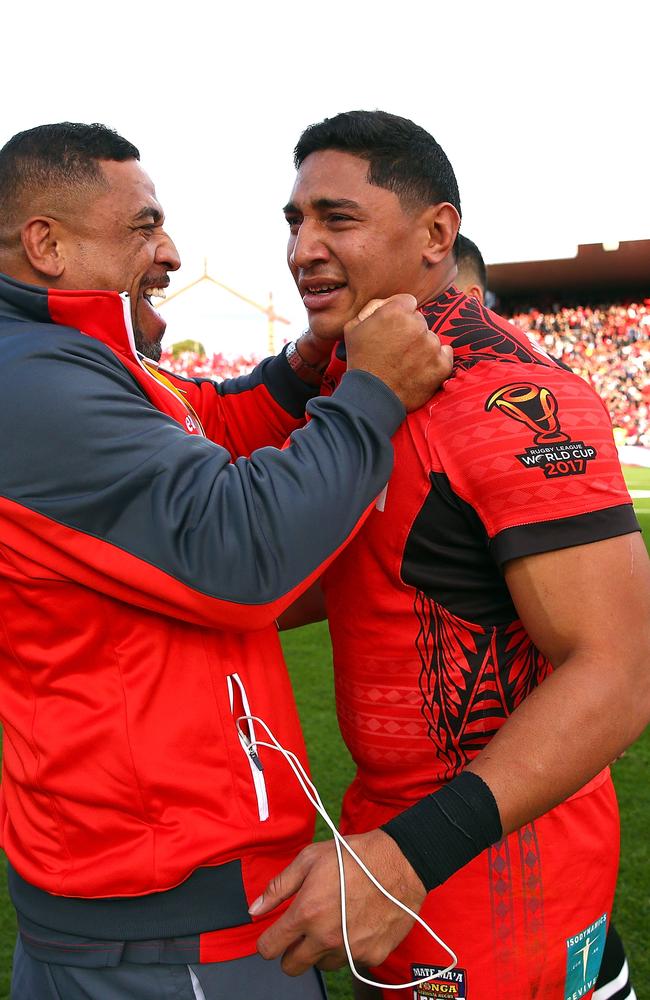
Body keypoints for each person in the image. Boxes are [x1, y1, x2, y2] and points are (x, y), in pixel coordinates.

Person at [0, 121, 453, 999]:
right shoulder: (32, 380)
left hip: (162, 895)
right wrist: (371, 392)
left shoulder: (75, 360)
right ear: (47, 245)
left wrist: (308, 365)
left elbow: (214, 419)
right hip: (166, 919)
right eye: (142, 227)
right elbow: (242, 549)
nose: (168, 252)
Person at [251, 111, 650, 1000]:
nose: (303, 248)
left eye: (337, 219)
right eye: (293, 221)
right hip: (389, 845)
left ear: (436, 233)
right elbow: (357, 573)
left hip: (496, 871)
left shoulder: (513, 399)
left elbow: (621, 672)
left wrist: (409, 857)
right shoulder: (355, 382)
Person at [456, 232, 638, 1000]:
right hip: (453, 848)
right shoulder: (375, 412)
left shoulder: (523, 398)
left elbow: (619, 666)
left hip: (529, 834)